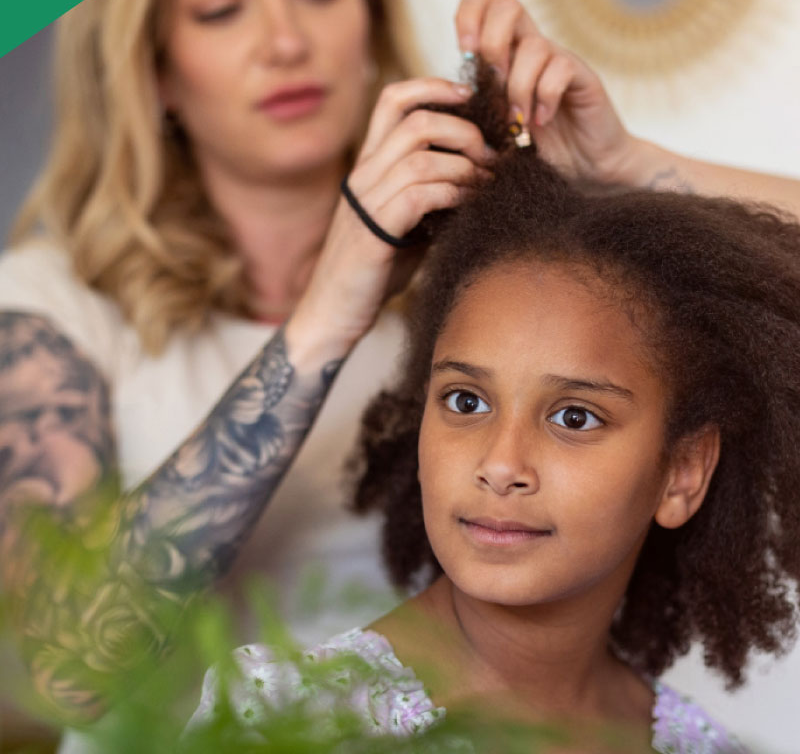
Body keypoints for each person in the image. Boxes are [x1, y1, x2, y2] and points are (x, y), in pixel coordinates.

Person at [2, 0, 800, 739]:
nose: (286, 40)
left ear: (370, 17)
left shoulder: (482, 279)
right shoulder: (51, 309)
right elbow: (61, 668)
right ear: (152, 69)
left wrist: (632, 168)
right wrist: (328, 310)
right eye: (222, 7)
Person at [191, 78, 800, 752]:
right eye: (465, 402)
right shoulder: (287, 727)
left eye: (574, 417)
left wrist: (636, 163)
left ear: (683, 472)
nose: (501, 464)